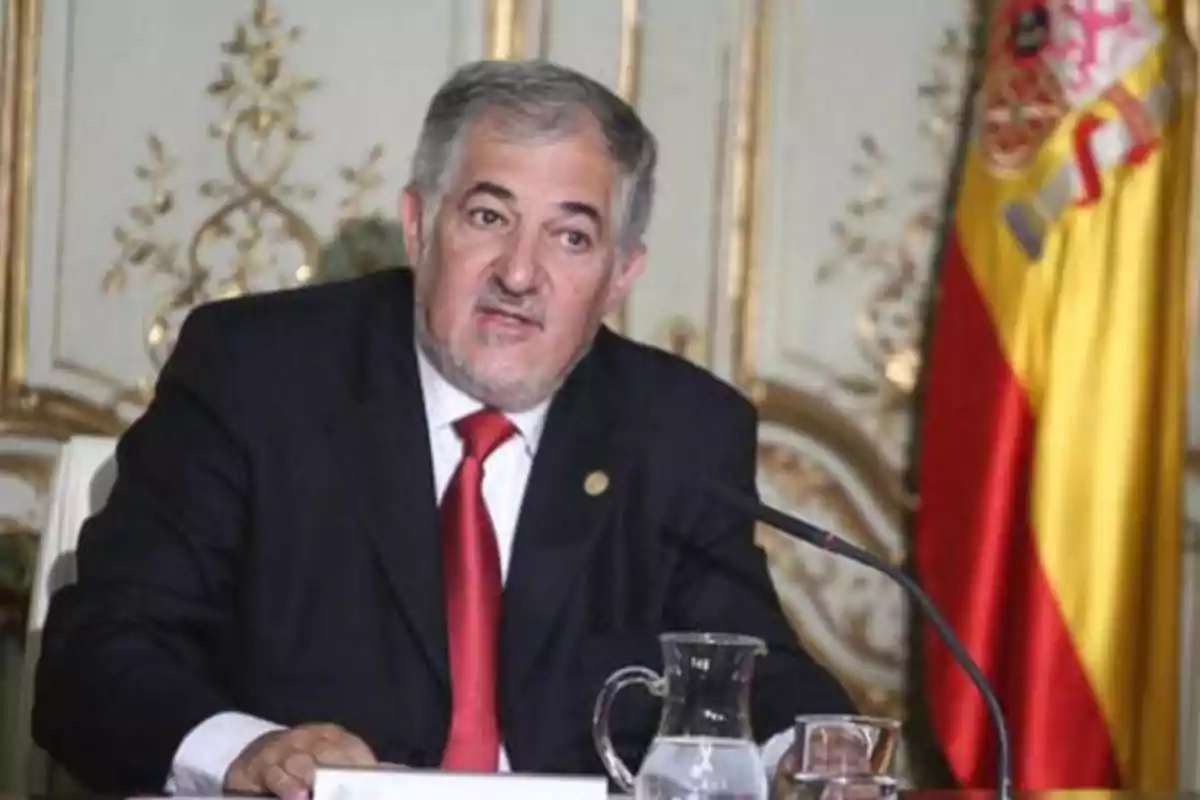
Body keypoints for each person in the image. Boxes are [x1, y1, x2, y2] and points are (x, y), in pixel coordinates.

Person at [31, 59, 855, 798]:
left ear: (619, 277)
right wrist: (251, 753)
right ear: (421, 226)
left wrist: (819, 751)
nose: (521, 274)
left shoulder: (681, 430)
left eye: (571, 237)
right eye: (490, 217)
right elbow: (97, 655)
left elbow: (755, 670)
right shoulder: (258, 374)